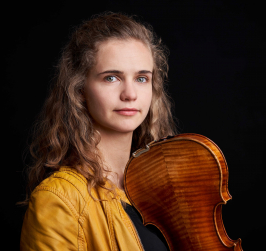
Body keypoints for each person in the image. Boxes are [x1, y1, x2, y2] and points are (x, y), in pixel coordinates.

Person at [20, 11, 177, 251]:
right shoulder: (58, 199)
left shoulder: (165, 189)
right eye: (111, 78)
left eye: (142, 79)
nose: (130, 94)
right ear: (79, 89)